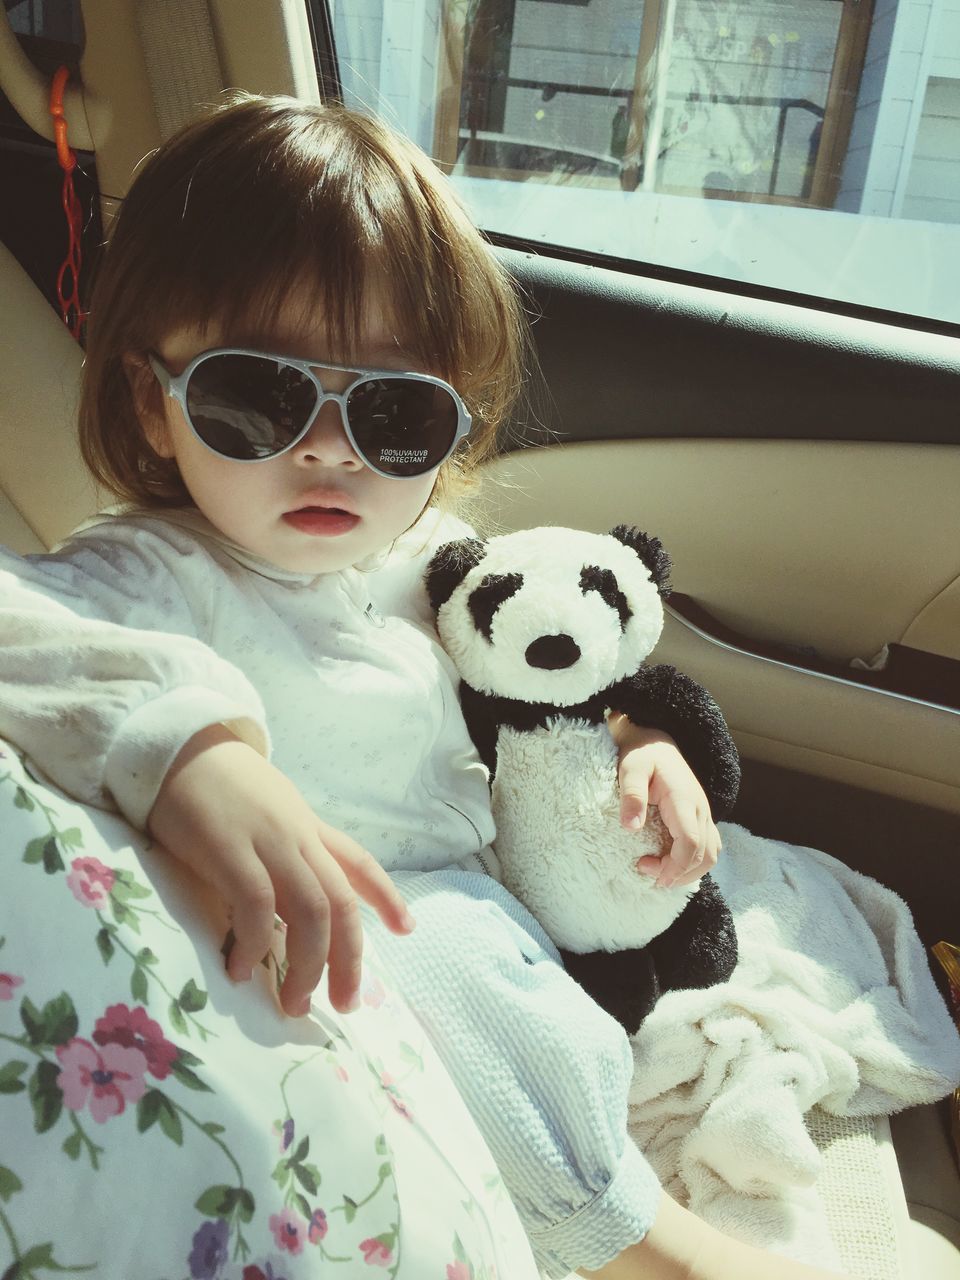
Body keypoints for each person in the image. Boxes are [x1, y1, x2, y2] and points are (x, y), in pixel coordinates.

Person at [0, 93, 840, 1280]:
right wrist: (193, 747)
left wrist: (640, 734)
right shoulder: (150, 569)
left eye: (395, 413)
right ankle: (641, 1245)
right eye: (259, 397)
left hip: (505, 899)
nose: (332, 448)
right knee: (439, 967)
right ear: (155, 397)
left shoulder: (417, 565)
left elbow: (545, 669)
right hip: (383, 926)